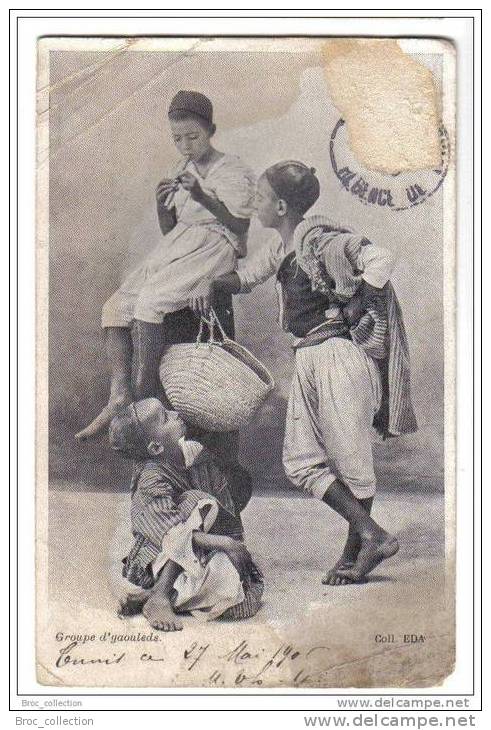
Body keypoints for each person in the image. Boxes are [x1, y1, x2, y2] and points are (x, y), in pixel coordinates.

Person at [192, 160, 417, 585]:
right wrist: (210, 283)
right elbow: (245, 277)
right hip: (310, 358)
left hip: (339, 357)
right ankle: (371, 534)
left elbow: (381, 256)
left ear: (279, 205)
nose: (254, 205)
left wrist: (358, 300)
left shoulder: (320, 239)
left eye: (258, 198)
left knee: (352, 463)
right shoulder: (283, 247)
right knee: (300, 463)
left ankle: (357, 554)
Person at [76, 90, 256, 441]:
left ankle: (144, 403)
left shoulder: (233, 170)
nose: (186, 146)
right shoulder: (179, 169)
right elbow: (172, 232)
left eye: (193, 137)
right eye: (178, 139)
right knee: (115, 307)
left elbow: (240, 227)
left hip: (214, 250)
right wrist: (163, 207)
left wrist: (202, 194)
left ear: (211, 130)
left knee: (150, 304)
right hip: (179, 246)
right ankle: (120, 394)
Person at [109, 397, 263, 631]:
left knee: (240, 589)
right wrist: (225, 542)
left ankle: (156, 596)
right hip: (159, 554)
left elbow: (220, 479)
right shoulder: (151, 478)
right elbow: (172, 534)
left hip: (192, 551)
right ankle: (160, 594)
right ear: (156, 447)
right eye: (165, 417)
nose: (174, 413)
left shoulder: (187, 453)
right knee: (196, 500)